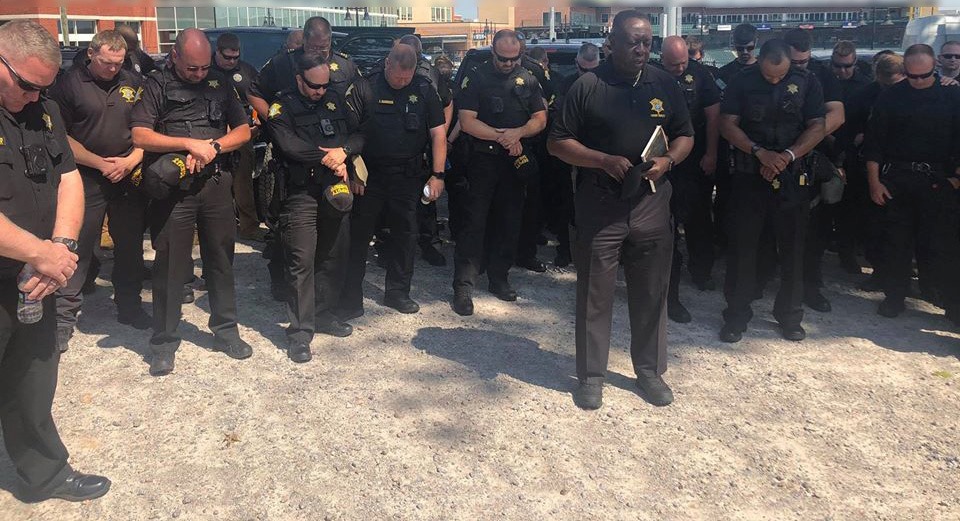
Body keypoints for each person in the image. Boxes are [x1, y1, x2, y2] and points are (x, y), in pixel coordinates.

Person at [548, 10, 694, 410]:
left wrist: (670, 162)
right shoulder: (587, 86)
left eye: (647, 41)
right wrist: (601, 160)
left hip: (651, 201)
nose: (642, 48)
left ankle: (649, 371)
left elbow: (685, 135)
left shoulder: (665, 83)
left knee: (651, 292)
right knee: (595, 294)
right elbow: (557, 143)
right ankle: (591, 376)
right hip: (600, 204)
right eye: (634, 41)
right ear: (612, 42)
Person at [0, 19, 111, 502]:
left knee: (34, 377)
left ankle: (44, 474)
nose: (34, 96)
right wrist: (40, 252)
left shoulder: (42, 110)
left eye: (42, 87)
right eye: (26, 84)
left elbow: (68, 177)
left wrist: (61, 248)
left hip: (33, 277)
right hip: (24, 263)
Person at [131, 28, 253, 376]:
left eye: (203, 68)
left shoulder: (219, 82)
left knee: (221, 262)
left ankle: (225, 331)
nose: (199, 75)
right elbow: (139, 134)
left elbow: (242, 131)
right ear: (174, 56)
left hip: (215, 186)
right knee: (169, 268)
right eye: (191, 69)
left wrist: (213, 147)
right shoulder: (156, 84)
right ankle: (164, 343)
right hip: (175, 192)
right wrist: (187, 144)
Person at [48, 29, 150, 353]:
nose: (112, 69)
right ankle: (63, 319)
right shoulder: (67, 85)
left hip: (127, 174)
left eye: (118, 63)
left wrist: (131, 159)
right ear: (91, 54)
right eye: (107, 63)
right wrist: (99, 163)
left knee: (130, 245)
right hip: (86, 175)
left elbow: (147, 129)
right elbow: (60, 137)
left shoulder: (133, 81)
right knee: (77, 247)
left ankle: (130, 306)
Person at [718, 39, 826, 343]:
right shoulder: (742, 80)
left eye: (780, 75)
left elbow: (817, 125)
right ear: (760, 62)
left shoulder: (808, 82)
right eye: (769, 76)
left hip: (792, 176)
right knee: (743, 248)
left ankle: (790, 316)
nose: (775, 80)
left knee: (793, 249)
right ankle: (736, 316)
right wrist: (759, 152)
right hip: (749, 175)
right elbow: (727, 124)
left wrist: (787, 156)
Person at [262, 53, 366, 362]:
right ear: (299, 79)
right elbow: (287, 144)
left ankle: (323, 314)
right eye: (313, 86)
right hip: (300, 192)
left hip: (333, 189)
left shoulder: (334, 99)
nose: (319, 91)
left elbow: (359, 133)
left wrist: (344, 151)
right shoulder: (282, 105)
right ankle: (299, 332)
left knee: (334, 254)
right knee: (301, 262)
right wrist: (327, 157)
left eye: (323, 86)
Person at [248, 17, 360, 301]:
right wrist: (274, 120)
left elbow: (358, 109)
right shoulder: (284, 63)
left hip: (333, 156)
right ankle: (280, 278)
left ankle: (321, 299)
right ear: (304, 40)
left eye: (325, 46)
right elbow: (254, 91)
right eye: (315, 46)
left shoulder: (346, 66)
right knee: (285, 223)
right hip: (292, 154)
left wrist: (347, 154)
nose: (321, 51)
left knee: (331, 228)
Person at [338, 44, 446, 320]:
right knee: (358, 238)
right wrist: (353, 171)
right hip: (369, 176)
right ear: (387, 64)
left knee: (406, 236)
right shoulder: (364, 87)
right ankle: (350, 298)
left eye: (406, 78)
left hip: (407, 177)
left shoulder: (424, 89)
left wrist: (437, 175)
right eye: (397, 77)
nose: (401, 82)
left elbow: (437, 135)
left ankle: (398, 292)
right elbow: (347, 133)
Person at [452, 29, 547, 316]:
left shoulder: (529, 77)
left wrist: (519, 133)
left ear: (521, 54)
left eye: (513, 59)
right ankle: (463, 286)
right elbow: (467, 121)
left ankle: (499, 278)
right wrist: (501, 136)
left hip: (514, 161)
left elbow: (541, 118)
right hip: (483, 160)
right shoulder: (477, 76)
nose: (507, 64)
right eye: (502, 59)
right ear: (493, 52)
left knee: (509, 221)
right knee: (474, 223)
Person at [863, 44, 960, 322]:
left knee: (943, 246)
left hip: (939, 181)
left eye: (924, 75)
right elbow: (874, 144)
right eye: (911, 75)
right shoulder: (891, 97)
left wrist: (956, 179)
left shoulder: (952, 95)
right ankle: (894, 297)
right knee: (896, 243)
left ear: (935, 68)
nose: (917, 81)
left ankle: (951, 303)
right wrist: (874, 182)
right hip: (898, 179)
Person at [656, 36, 722, 324]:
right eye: (674, 64)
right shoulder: (652, 75)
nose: (680, 68)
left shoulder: (701, 75)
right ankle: (669, 294)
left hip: (693, 163)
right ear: (662, 59)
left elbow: (713, 117)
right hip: (661, 163)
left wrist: (711, 154)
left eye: (683, 62)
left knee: (698, 221)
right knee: (665, 228)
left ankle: (702, 272)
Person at [783, 28, 845, 315]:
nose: (800, 67)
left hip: (809, 161)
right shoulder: (768, 71)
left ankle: (810, 286)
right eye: (794, 63)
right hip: (773, 160)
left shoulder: (821, 74)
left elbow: (837, 114)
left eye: (804, 62)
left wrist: (806, 140)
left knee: (812, 231)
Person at [846, 52, 905, 293]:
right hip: (872, 167)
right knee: (874, 225)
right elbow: (849, 128)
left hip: (906, 169)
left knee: (904, 229)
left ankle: (901, 277)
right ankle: (881, 273)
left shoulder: (916, 94)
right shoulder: (865, 95)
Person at [828, 40, 873, 276]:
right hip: (825, 146)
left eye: (847, 66)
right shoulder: (823, 81)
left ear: (855, 62)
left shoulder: (865, 86)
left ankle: (847, 254)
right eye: (838, 66)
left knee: (850, 208)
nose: (842, 71)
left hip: (853, 152)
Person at [210, 32, 261, 240]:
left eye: (235, 57)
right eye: (227, 57)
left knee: (243, 183)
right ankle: (210, 228)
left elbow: (258, 97)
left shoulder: (247, 71)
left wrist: (257, 122)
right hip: (213, 136)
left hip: (242, 135)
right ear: (217, 52)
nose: (232, 61)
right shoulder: (205, 70)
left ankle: (249, 226)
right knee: (212, 183)